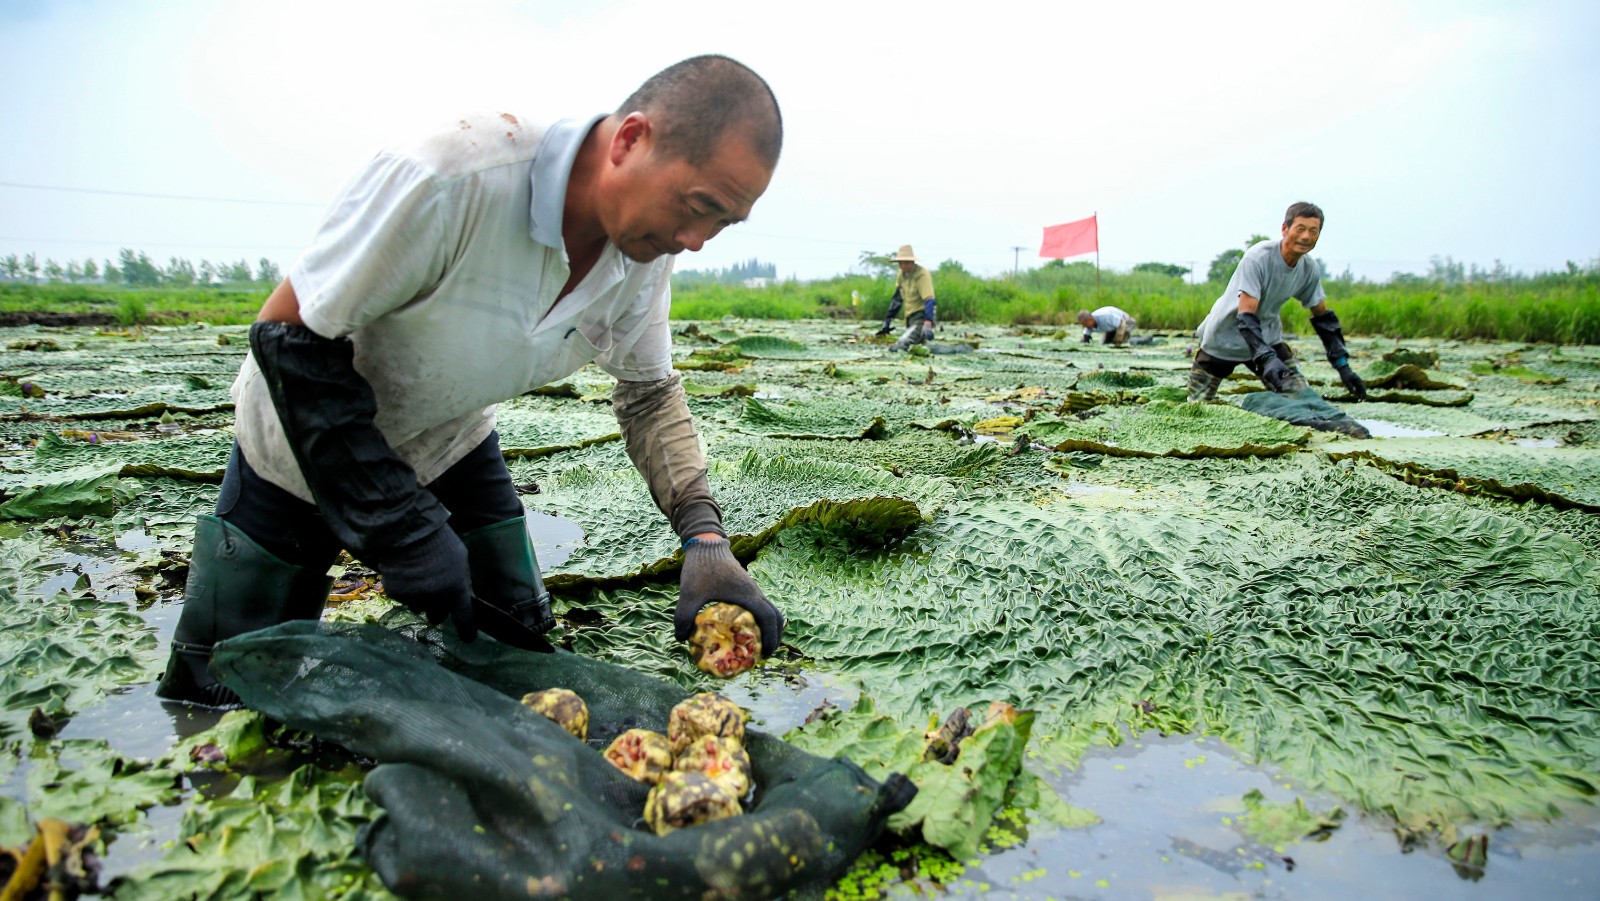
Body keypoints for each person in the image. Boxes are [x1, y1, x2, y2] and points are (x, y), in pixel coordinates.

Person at [157, 55, 787, 708]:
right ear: (630, 140)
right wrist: (396, 520)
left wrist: (706, 537)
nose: (695, 240)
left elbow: (649, 395)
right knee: (222, 689)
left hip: (446, 438)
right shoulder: (452, 176)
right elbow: (286, 335)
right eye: (697, 208)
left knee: (515, 640)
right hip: (299, 442)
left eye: (722, 223)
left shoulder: (643, 250)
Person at [1186, 202, 1367, 403]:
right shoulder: (1258, 257)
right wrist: (1267, 359)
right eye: (1300, 229)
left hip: (1267, 339)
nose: (1306, 236)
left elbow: (1323, 317)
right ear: (1284, 229)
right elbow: (1246, 315)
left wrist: (1343, 366)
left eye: (1313, 231)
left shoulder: (1308, 268)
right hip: (1223, 338)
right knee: (1197, 408)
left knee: (1301, 399)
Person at [879, 245, 937, 350]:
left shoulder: (922, 274)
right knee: (915, 348)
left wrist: (928, 322)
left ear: (912, 262)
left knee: (903, 344)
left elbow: (929, 299)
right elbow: (897, 299)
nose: (903, 266)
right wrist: (888, 320)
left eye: (906, 262)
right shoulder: (901, 274)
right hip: (909, 318)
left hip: (921, 317)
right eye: (901, 263)